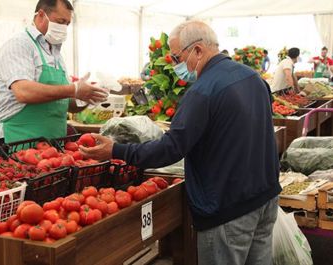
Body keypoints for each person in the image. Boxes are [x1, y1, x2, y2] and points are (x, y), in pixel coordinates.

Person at [80, 21, 280, 265]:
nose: (175, 65)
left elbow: (171, 147)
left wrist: (116, 149)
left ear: (197, 50)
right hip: (265, 197)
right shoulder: (252, 77)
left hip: (229, 208)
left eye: (176, 57)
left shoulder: (203, 91)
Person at [0, 0, 108, 143]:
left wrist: (85, 97)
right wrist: (74, 89)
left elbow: (63, 103)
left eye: (67, 24)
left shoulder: (55, 54)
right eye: (60, 21)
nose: (63, 28)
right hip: (19, 140)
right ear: (41, 15)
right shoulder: (19, 45)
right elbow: (23, 92)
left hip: (53, 145)